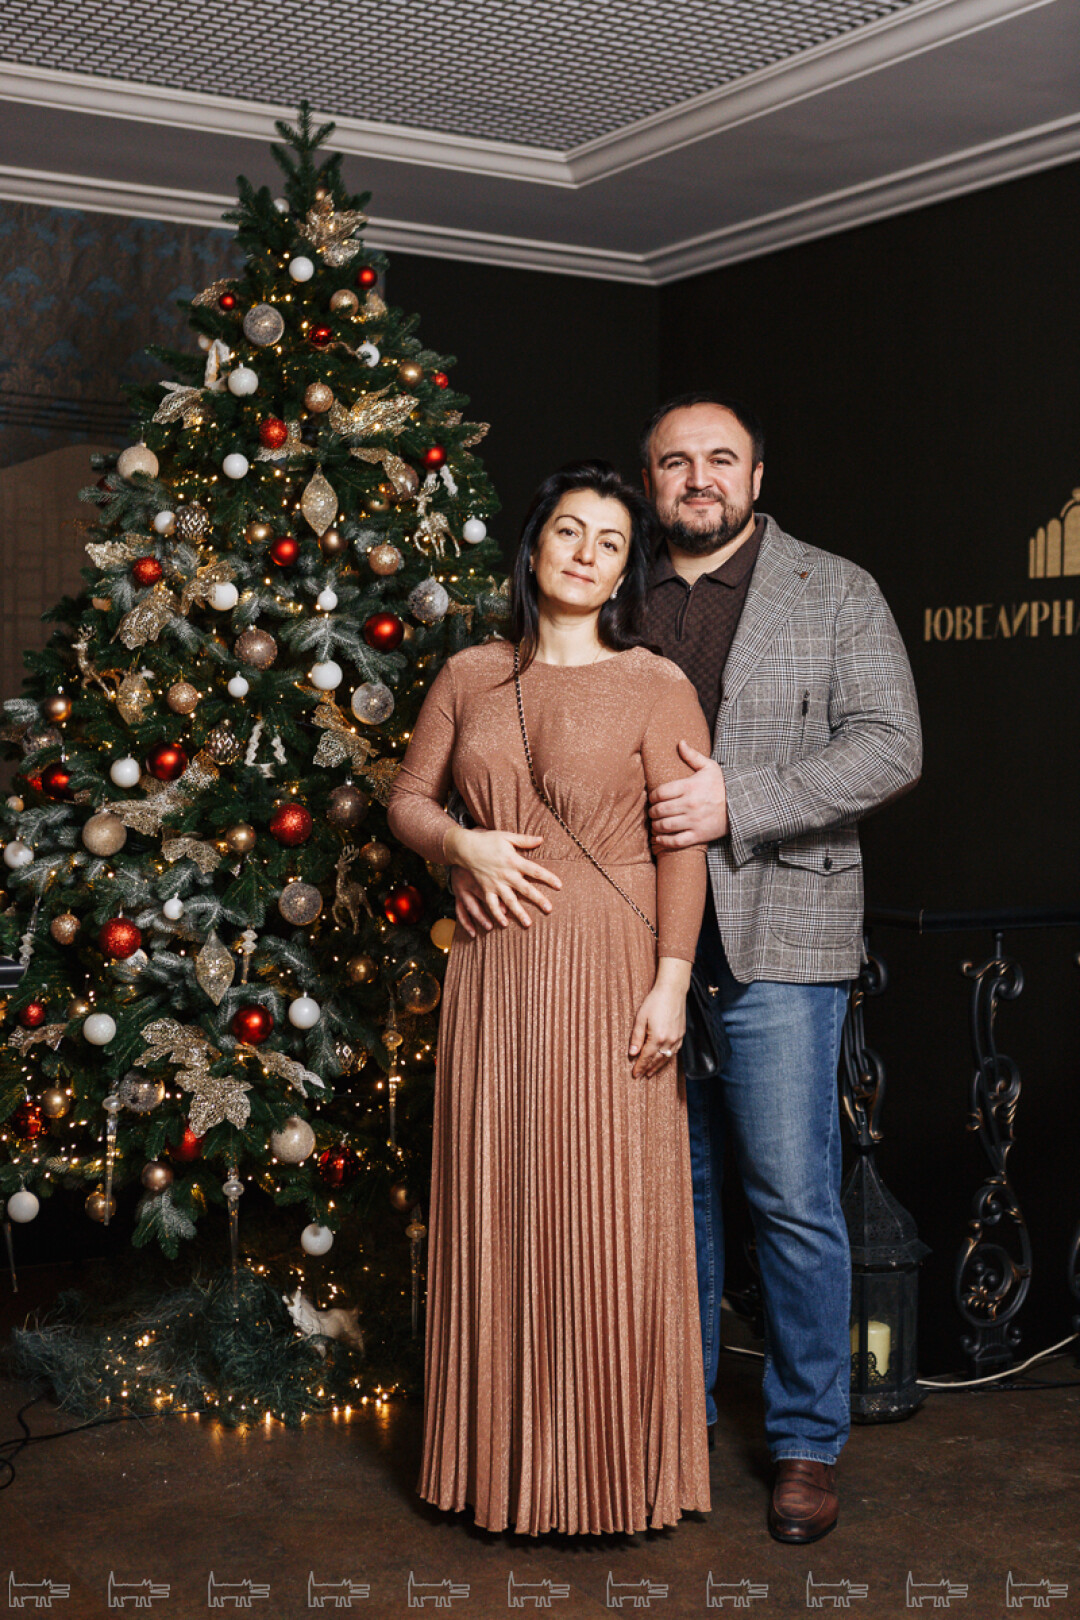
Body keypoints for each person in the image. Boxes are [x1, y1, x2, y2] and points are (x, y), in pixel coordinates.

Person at [387, 461, 713, 1536]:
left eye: (610, 543)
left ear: (625, 572)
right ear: (534, 548)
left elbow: (683, 845)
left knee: (608, 1214)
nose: (585, 553)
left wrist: (672, 982)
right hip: (495, 972)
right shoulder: (470, 673)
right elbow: (407, 801)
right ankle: (502, 1473)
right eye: (569, 531)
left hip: (613, 966)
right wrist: (462, 846)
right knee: (503, 1202)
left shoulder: (657, 683)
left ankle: (610, 1480)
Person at [635, 392, 922, 1544]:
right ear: (651, 482)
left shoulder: (835, 589)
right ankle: (677, 1423)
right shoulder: (616, 590)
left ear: (757, 476)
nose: (698, 478)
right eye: (675, 462)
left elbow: (891, 744)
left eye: (721, 459)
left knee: (792, 1200)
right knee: (673, 1197)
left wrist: (738, 800)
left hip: (783, 942)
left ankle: (806, 1442)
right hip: (638, 944)